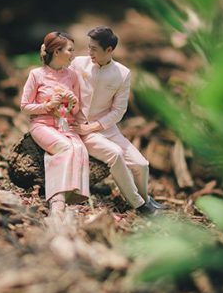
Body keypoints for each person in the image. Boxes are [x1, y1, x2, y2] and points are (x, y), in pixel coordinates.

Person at [70, 26, 165, 215]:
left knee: (141, 164)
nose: (90, 53)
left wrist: (96, 127)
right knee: (115, 154)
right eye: (89, 47)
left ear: (109, 50)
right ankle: (140, 205)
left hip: (106, 128)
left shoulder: (122, 73)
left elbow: (119, 110)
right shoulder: (78, 64)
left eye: (94, 49)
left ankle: (146, 198)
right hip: (80, 127)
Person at [20, 31, 89, 218]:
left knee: (79, 148)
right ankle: (56, 200)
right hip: (42, 124)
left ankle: (72, 197)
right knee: (65, 148)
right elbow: (25, 107)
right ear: (57, 52)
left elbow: (76, 110)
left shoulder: (72, 76)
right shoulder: (36, 75)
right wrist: (48, 106)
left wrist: (73, 102)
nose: (73, 54)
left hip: (65, 124)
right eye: (70, 50)